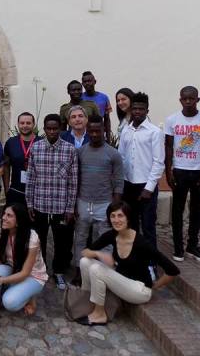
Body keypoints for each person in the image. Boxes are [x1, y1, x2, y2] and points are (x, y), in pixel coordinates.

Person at [79, 201, 180, 326]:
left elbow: (173, 270)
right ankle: (87, 302)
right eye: (113, 216)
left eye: (120, 216)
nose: (116, 220)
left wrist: (155, 286)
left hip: (138, 290)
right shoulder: (112, 235)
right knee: (85, 262)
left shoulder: (142, 243)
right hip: (122, 282)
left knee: (96, 269)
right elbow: (85, 252)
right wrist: (99, 254)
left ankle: (100, 315)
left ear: (128, 218)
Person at [25, 113, 78, 290]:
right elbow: (31, 178)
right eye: (49, 128)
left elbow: (73, 181)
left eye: (56, 128)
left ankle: (59, 271)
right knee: (38, 240)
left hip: (60, 206)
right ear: (44, 129)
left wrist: (70, 208)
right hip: (39, 204)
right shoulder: (36, 148)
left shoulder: (70, 150)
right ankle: (41, 269)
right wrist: (29, 204)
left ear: (61, 129)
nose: (52, 131)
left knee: (61, 242)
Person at [164, 86, 200, 262]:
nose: (188, 102)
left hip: (199, 172)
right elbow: (169, 147)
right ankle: (178, 248)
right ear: (180, 100)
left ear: (197, 100)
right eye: (184, 99)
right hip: (179, 171)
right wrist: (168, 171)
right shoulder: (172, 120)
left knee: (196, 210)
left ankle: (192, 245)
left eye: (191, 99)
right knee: (177, 210)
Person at [72, 115, 123, 284]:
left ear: (103, 131)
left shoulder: (113, 154)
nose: (94, 134)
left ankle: (103, 274)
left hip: (105, 203)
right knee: (80, 238)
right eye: (91, 131)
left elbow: (118, 180)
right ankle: (79, 271)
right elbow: (76, 178)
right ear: (87, 131)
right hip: (83, 202)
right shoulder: (81, 152)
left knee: (105, 240)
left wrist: (115, 205)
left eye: (97, 131)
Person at [0, 203, 48, 316]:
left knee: (9, 302)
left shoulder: (32, 238)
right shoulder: (3, 233)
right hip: (14, 268)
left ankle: (30, 296)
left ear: (18, 221)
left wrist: (0, 280)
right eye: (4, 214)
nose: (4, 217)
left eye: (9, 215)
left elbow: (25, 273)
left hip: (33, 276)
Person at [118, 92, 164, 251]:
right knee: (131, 223)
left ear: (147, 111)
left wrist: (149, 188)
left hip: (146, 186)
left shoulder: (155, 132)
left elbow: (159, 162)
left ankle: (151, 262)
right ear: (131, 109)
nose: (137, 112)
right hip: (128, 184)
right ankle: (134, 257)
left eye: (141, 109)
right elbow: (121, 157)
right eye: (135, 108)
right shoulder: (126, 130)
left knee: (148, 224)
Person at [3, 112, 40, 207]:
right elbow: (6, 166)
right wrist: (7, 188)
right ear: (18, 124)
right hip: (16, 191)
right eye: (22, 123)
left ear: (33, 124)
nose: (25, 126)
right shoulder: (11, 143)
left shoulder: (41, 142)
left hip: (37, 192)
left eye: (28, 123)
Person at [81, 71, 113, 141]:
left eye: (89, 81)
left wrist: (108, 138)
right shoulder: (79, 98)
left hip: (98, 134)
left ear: (94, 81)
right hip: (82, 135)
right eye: (85, 81)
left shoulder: (104, 97)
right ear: (82, 84)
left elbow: (107, 119)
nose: (87, 83)